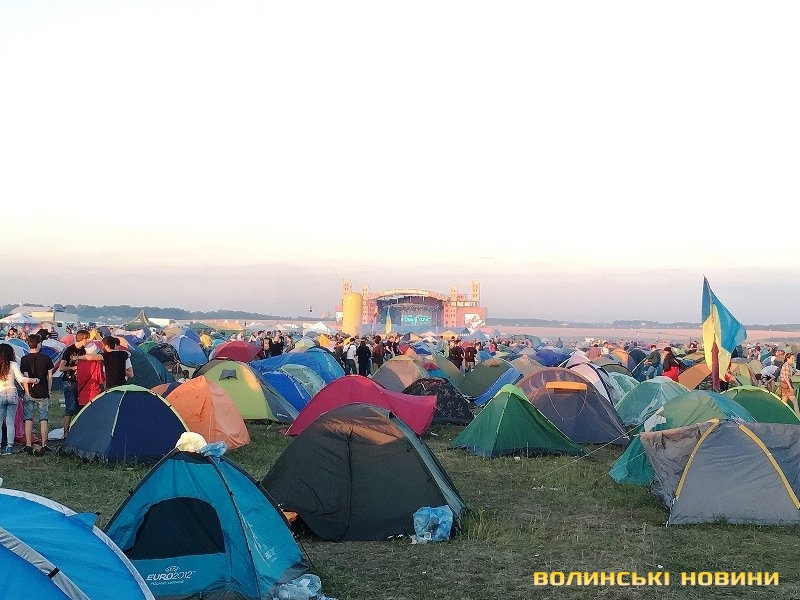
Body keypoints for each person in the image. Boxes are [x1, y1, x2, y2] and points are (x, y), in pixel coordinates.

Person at [0, 343, 39, 454]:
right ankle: (10, 446)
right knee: (10, 422)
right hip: (12, 393)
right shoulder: (13, 364)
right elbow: (21, 379)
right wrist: (34, 380)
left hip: (1, 393)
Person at [19, 333, 54, 455]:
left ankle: (28, 444)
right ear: (38, 344)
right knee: (43, 418)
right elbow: (50, 376)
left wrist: (27, 391)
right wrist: (49, 389)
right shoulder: (46, 358)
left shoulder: (24, 359)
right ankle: (44, 444)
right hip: (43, 391)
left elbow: (26, 377)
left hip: (29, 392)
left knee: (28, 419)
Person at [57, 328, 91, 436]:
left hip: (82, 382)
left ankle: (77, 431)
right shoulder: (69, 350)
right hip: (70, 381)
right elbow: (61, 368)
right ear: (82, 338)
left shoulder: (85, 350)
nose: (88, 341)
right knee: (70, 408)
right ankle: (66, 433)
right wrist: (75, 368)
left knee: (80, 407)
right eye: (86, 339)